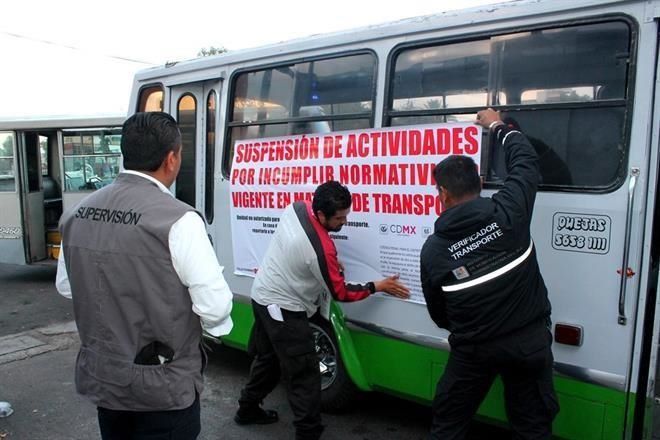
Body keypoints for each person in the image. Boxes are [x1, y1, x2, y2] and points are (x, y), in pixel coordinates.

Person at [55, 112, 234, 440]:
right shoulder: (180, 221)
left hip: (104, 380)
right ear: (171, 159)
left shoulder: (76, 213)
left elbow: (67, 287)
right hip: (162, 388)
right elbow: (215, 309)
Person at [420, 108, 559, 440]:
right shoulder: (510, 211)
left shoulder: (434, 250)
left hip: (473, 350)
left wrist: (472, 328)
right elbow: (526, 161)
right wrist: (497, 125)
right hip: (528, 342)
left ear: (443, 193)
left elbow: (439, 312)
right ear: (481, 184)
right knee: (533, 427)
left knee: (448, 426)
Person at [235, 180, 410, 440]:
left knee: (269, 359)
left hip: (262, 295)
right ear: (320, 214)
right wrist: (377, 286)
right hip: (283, 307)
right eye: (339, 218)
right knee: (304, 374)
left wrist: (327, 262)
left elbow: (311, 252)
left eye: (346, 215)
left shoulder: (297, 208)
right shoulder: (320, 250)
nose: (344, 222)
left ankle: (247, 409)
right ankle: (308, 433)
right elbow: (341, 293)